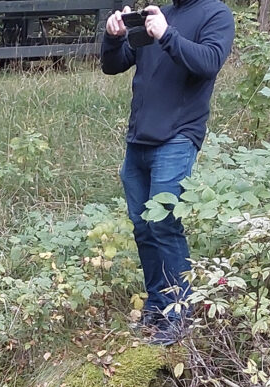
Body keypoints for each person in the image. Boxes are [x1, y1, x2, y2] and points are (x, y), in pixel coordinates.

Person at [101, 0, 235, 345]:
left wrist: (166, 34)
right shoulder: (159, 14)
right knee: (144, 227)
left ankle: (178, 315)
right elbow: (114, 65)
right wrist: (114, 37)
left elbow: (209, 63)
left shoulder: (215, 14)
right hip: (139, 138)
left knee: (164, 223)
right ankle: (157, 308)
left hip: (178, 136)